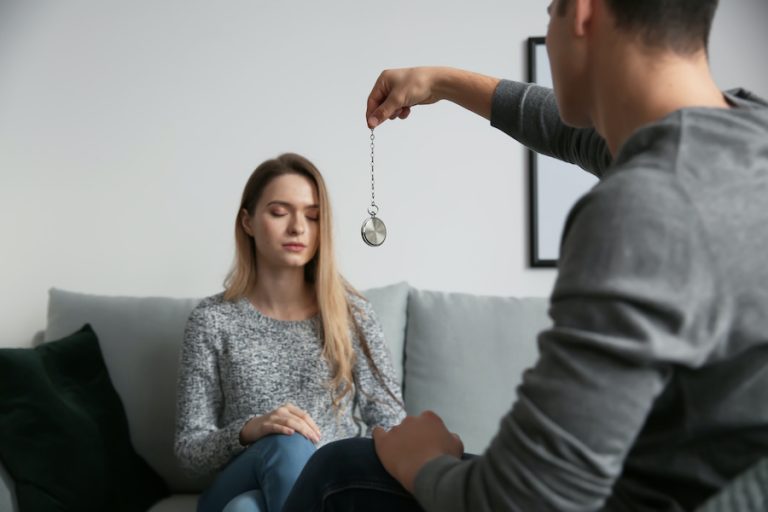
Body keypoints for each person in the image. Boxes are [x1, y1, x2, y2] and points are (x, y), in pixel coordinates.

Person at [282, 0, 768, 510]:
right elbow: (563, 128)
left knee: (340, 469)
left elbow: (520, 500)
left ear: (582, 12)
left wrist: (422, 460)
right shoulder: (742, 137)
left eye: (551, 9)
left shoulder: (647, 207)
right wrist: (440, 83)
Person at [173, 153, 405, 512]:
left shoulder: (351, 315)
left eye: (312, 216)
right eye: (280, 212)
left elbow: (392, 425)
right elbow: (189, 452)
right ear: (248, 222)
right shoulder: (213, 319)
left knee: (244, 511)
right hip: (244, 472)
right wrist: (252, 428)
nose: (298, 228)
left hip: (331, 483)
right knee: (288, 441)